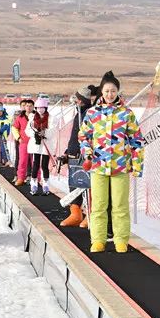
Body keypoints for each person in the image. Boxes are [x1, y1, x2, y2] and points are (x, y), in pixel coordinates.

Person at [79, 71, 144, 253]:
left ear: (118, 92)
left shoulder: (126, 114)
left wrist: (137, 165)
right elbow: (84, 135)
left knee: (120, 206)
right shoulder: (92, 113)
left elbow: (137, 140)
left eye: (113, 91)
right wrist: (88, 153)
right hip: (98, 166)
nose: (110, 95)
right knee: (99, 205)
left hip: (120, 166)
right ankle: (98, 240)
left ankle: (121, 240)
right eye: (107, 91)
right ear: (101, 91)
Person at [57, 84, 98, 227]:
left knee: (88, 185)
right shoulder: (78, 113)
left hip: (85, 154)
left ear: (81, 100)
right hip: (74, 153)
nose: (75, 100)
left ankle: (91, 214)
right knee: (74, 183)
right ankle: (76, 213)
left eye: (77, 98)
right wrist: (68, 152)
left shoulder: (89, 113)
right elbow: (74, 136)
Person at [25, 97, 52, 195]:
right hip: (36, 145)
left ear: (46, 108)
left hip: (45, 145)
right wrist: (34, 134)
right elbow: (27, 130)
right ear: (36, 108)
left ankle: (45, 184)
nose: (40, 110)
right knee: (35, 164)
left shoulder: (51, 118)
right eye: (38, 108)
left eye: (43, 108)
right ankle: (34, 183)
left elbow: (53, 130)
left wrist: (45, 133)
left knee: (44, 165)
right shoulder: (32, 118)